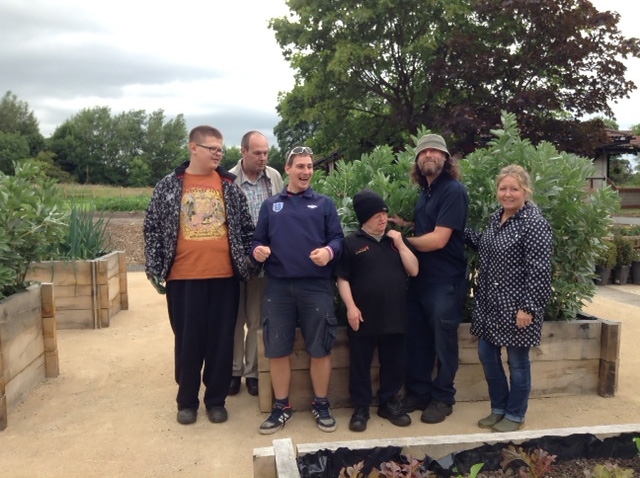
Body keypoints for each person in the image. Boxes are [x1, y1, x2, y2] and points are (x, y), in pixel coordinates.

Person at [143, 125, 255, 426]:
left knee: (221, 341)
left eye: (221, 149)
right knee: (188, 341)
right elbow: (152, 227)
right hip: (183, 278)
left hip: (224, 278)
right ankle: (187, 401)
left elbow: (246, 229)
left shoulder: (230, 186)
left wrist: (248, 261)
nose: (218, 153)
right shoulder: (168, 185)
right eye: (212, 149)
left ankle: (216, 401)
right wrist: (154, 266)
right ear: (194, 148)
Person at [252, 146, 344, 435]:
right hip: (278, 287)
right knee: (277, 349)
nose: (306, 172)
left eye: (310, 167)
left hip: (315, 286)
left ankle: (321, 404)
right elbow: (256, 241)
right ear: (288, 169)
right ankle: (281, 407)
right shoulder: (271, 206)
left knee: (320, 348)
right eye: (300, 166)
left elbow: (339, 239)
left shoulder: (324, 204)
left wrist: (329, 251)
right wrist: (258, 251)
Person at [464, 164, 553, 432]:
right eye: (503, 188)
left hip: (517, 308)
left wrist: (529, 307)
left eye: (514, 188)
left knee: (517, 362)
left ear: (525, 190)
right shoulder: (496, 218)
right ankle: (499, 408)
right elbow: (484, 243)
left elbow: (540, 271)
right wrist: (455, 228)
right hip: (490, 305)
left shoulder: (534, 223)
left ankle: (515, 414)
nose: (508, 193)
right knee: (486, 355)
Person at [394, 133, 469, 424]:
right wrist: (407, 225)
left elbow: (438, 239)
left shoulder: (452, 190)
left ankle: (443, 397)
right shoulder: (425, 193)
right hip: (421, 280)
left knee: (443, 342)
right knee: (419, 340)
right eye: (423, 151)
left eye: (435, 152)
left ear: (446, 159)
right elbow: (429, 225)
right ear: (417, 159)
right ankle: (419, 393)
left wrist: (401, 241)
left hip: (444, 282)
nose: (429, 155)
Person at [336, 189, 418, 432]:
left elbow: (414, 270)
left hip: (395, 315)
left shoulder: (395, 243)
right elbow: (342, 279)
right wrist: (351, 307)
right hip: (363, 316)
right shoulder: (351, 243)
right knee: (360, 363)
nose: (383, 219)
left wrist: (401, 243)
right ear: (364, 218)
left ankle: (389, 402)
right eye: (376, 215)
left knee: (394, 361)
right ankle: (361, 407)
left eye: (384, 213)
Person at [228, 131, 284, 397]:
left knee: (257, 319)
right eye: (257, 153)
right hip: (234, 262)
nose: (263, 158)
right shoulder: (228, 180)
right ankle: (234, 370)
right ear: (243, 152)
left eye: (266, 153)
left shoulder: (274, 177)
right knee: (234, 320)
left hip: (264, 263)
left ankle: (252, 372)